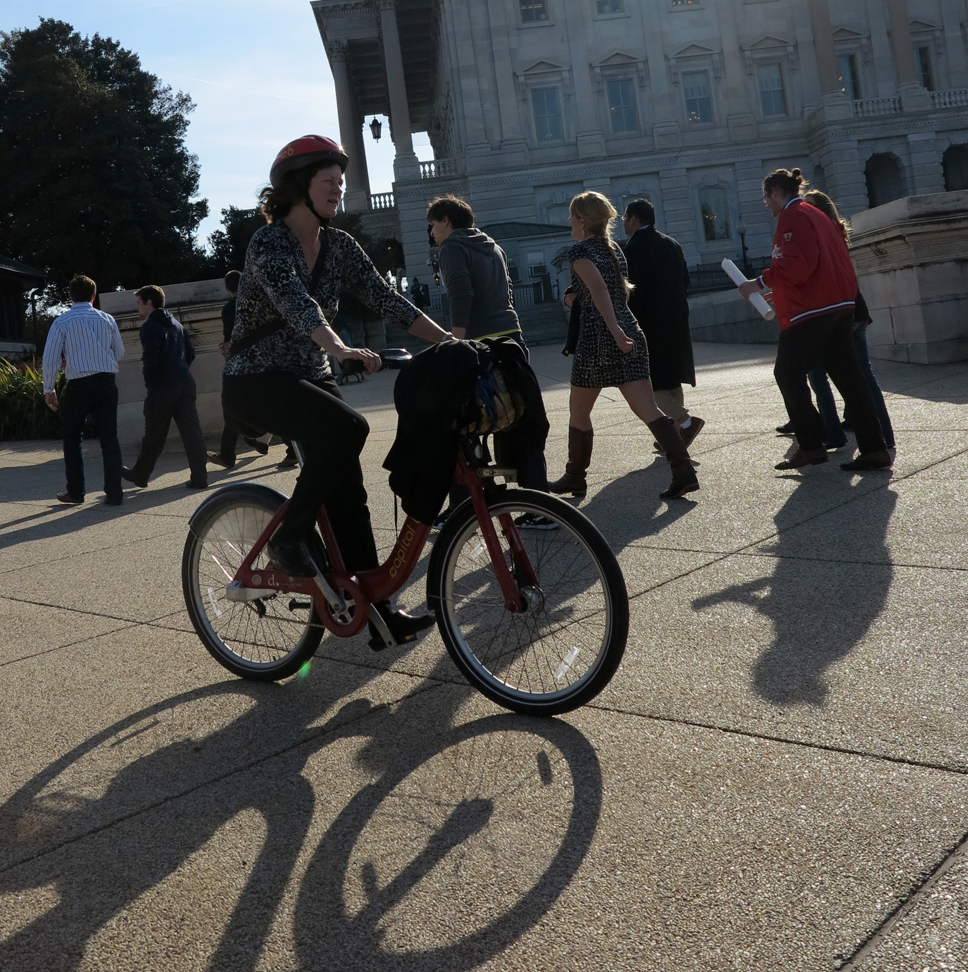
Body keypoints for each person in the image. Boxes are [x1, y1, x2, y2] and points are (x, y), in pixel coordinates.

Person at [221, 134, 451, 649]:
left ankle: (378, 609)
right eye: (328, 181)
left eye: (340, 182)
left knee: (350, 491)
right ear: (298, 187)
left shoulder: (340, 246)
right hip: (256, 379)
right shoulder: (269, 243)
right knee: (350, 429)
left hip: (308, 375)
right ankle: (287, 538)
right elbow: (296, 303)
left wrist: (450, 342)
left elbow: (385, 299)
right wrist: (339, 346)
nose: (338, 189)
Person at [549, 192, 698, 500]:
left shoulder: (580, 251)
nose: (570, 221)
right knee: (649, 409)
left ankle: (575, 476)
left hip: (599, 339)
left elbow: (599, 289)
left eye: (572, 216)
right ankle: (683, 472)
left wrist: (613, 329)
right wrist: (611, 320)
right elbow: (621, 293)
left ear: (582, 220)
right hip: (631, 331)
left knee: (579, 411)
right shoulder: (615, 248)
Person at [738, 168, 889, 472]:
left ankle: (811, 444)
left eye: (766, 197)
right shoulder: (817, 214)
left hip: (811, 310)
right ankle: (875, 448)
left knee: (787, 372)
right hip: (839, 305)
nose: (766, 205)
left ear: (775, 192)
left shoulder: (792, 216)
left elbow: (797, 265)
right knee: (850, 378)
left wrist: (760, 282)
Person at [426, 195, 550, 523]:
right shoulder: (493, 246)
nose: (432, 232)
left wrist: (455, 342)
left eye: (433, 224)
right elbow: (507, 291)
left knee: (460, 424)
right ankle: (541, 505)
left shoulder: (452, 247)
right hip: (512, 339)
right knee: (518, 418)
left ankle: (462, 508)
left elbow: (461, 294)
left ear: (446, 221)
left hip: (480, 345)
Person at [800, 188, 896, 463]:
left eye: (810, 207)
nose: (806, 212)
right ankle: (858, 435)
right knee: (843, 375)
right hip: (848, 311)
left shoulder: (824, 233)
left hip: (842, 313)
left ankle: (851, 435)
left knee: (842, 375)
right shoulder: (833, 232)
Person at [622, 198, 703, 449]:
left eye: (625, 218)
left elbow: (630, 292)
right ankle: (676, 434)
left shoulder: (632, 249)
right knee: (672, 378)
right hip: (677, 320)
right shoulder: (671, 243)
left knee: (652, 384)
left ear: (634, 219)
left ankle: (686, 421)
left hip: (650, 324)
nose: (624, 223)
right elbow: (685, 280)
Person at [42, 274, 125, 506]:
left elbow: (50, 358)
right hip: (106, 382)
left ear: (71, 296)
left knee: (72, 437)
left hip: (79, 384)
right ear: (93, 296)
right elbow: (119, 352)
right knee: (109, 438)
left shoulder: (62, 322)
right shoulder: (107, 319)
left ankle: (76, 492)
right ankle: (115, 492)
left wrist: (49, 388)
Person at [121, 286, 208, 491]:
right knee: (192, 433)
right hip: (184, 382)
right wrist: (180, 369)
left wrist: (150, 382)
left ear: (149, 303)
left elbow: (150, 359)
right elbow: (190, 353)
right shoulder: (177, 324)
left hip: (163, 386)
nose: (137, 307)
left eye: (139, 303)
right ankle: (200, 477)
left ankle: (141, 474)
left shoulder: (149, 326)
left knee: (155, 433)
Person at [207, 270, 287, 471]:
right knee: (270, 404)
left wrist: (225, 348)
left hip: (240, 364)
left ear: (228, 290)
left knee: (231, 405)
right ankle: (281, 445)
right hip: (264, 359)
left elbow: (231, 338)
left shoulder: (230, 307)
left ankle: (230, 453)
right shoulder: (258, 302)